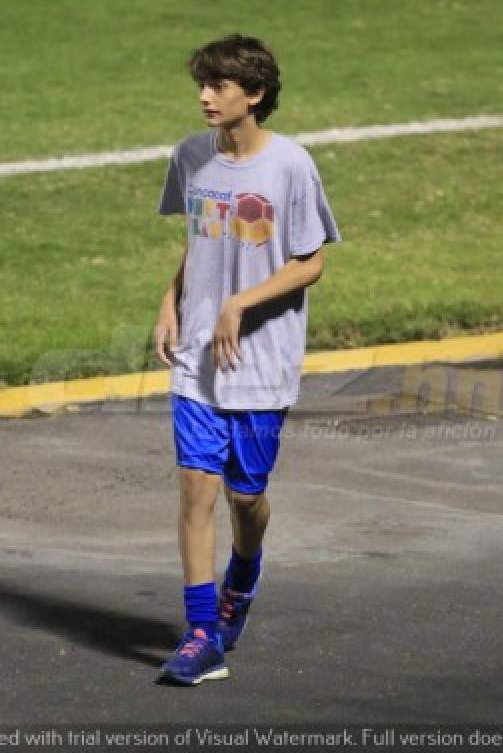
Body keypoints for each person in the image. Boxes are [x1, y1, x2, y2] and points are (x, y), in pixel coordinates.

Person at [153, 33, 342, 685]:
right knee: (194, 489)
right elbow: (202, 242)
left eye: (220, 86)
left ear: (254, 95)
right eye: (201, 85)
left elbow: (311, 261)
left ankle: (245, 569)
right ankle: (202, 633)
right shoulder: (190, 157)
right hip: (198, 356)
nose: (205, 97)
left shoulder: (290, 166)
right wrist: (170, 299)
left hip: (262, 361)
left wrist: (242, 303)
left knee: (244, 498)